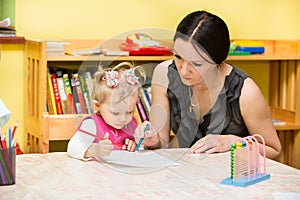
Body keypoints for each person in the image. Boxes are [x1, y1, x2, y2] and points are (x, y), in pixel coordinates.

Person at [134, 10, 281, 159]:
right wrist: (152, 139)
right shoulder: (164, 75)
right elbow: (162, 143)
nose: (184, 71)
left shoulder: (245, 92)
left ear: (217, 61)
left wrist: (234, 143)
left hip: (234, 177)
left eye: (196, 63)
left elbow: (273, 150)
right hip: (189, 174)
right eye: (178, 57)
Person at [67, 62, 144, 160]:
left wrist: (134, 145)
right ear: (97, 106)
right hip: (94, 174)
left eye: (129, 112)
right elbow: (72, 148)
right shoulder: (91, 124)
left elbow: (139, 150)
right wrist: (95, 150)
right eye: (116, 113)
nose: (123, 119)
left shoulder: (131, 124)